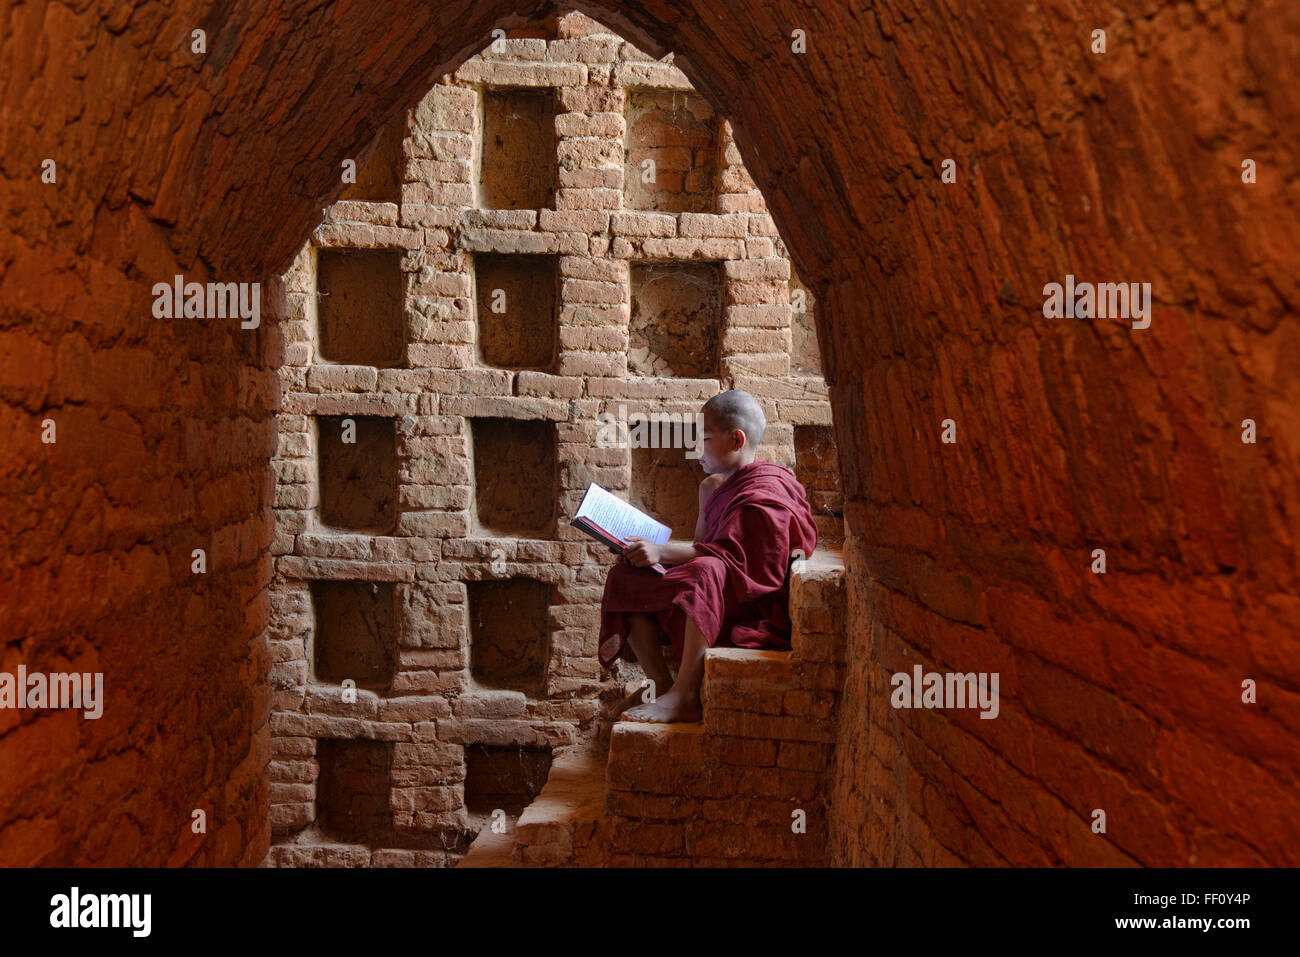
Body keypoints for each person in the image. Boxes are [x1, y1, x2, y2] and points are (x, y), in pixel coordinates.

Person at [598, 389, 818, 723]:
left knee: (706, 571)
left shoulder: (768, 489)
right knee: (624, 576)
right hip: (709, 589)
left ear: (736, 440)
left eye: (704, 438)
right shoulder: (710, 488)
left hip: (747, 597)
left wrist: (662, 550)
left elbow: (736, 561)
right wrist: (649, 555)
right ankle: (660, 683)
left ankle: (685, 695)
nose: (695, 449)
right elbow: (703, 547)